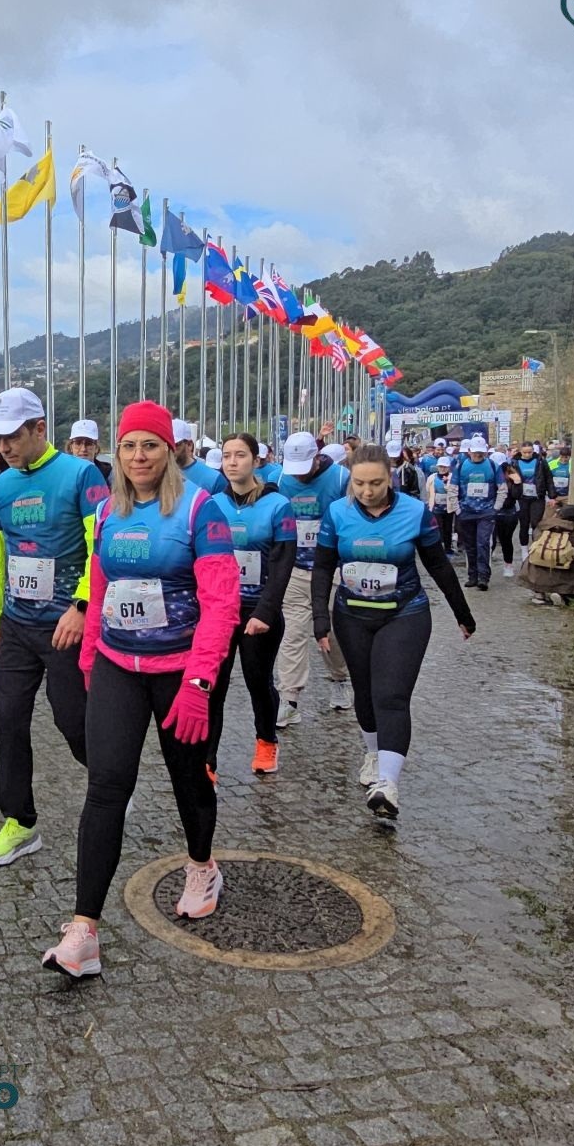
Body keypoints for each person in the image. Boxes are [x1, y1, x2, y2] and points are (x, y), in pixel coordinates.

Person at [41, 403, 239, 979]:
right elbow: (100, 591)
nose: (138, 456)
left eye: (149, 445)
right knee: (105, 787)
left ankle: (202, 865)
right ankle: (84, 932)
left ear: (168, 449)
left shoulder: (202, 510)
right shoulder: (107, 513)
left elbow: (222, 603)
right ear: (118, 453)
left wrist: (201, 683)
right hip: (117, 667)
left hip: (182, 670)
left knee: (188, 780)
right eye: (129, 446)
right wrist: (87, 662)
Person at [0, 387, 109, 867]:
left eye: (13, 436)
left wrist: (82, 606)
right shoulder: (4, 485)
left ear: (38, 428)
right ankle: (19, 823)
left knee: (71, 719)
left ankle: (108, 779)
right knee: (9, 723)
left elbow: (103, 544)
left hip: (65, 627)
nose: (5, 447)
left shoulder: (81, 474)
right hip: (16, 627)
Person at [310, 444, 475, 821]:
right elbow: (322, 569)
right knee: (364, 692)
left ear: (392, 476)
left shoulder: (416, 512)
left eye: (376, 483)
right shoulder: (337, 513)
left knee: (392, 695)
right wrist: (320, 618)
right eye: (359, 484)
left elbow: (438, 565)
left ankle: (388, 784)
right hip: (352, 615)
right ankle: (372, 753)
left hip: (405, 614)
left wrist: (461, 613)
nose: (367, 492)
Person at [207, 433, 297, 776]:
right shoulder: (213, 504)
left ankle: (266, 740)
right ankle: (208, 760)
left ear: (256, 460)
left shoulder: (278, 506)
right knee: (214, 684)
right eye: (227, 455)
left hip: (259, 610)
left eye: (240, 455)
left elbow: (282, 563)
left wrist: (265, 611)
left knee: (257, 680)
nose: (232, 462)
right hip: (221, 610)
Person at [273, 432, 352, 728]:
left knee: (329, 632)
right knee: (292, 633)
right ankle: (289, 699)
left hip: (332, 569)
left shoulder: (342, 478)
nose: (300, 475)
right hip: (294, 568)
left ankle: (339, 678)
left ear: (317, 458)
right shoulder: (280, 480)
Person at [451, 437, 503, 590]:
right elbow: (453, 489)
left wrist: (496, 508)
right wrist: (457, 509)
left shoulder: (493, 466)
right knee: (470, 545)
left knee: (483, 543)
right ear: (469, 452)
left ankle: (483, 577)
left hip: (486, 512)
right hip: (466, 512)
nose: (478, 456)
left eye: (481, 453)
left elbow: (502, 488)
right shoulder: (461, 466)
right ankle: (472, 576)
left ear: (486, 452)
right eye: (475, 453)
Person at [520, 504, 574, 606]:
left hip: (537, 569)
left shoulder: (543, 525)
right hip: (562, 567)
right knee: (572, 561)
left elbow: (535, 539)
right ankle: (560, 593)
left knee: (534, 557)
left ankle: (539, 595)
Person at [494, 458, 526, 578]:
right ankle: (484, 566)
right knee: (490, 540)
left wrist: (517, 482)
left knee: (506, 540)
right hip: (494, 512)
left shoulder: (512, 479)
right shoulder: (492, 478)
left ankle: (508, 564)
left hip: (509, 513)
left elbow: (516, 496)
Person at [173, 418, 223, 493]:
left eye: (175, 445)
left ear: (189, 445)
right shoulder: (155, 475)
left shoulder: (213, 478)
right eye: (166, 444)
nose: (170, 450)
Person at [422, 454, 457, 555]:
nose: (442, 469)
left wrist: (447, 485)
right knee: (438, 527)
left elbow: (454, 490)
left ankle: (448, 547)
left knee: (448, 527)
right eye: (440, 466)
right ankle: (439, 547)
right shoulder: (432, 478)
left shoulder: (452, 477)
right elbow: (428, 491)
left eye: (444, 467)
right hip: (436, 506)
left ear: (448, 467)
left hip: (448, 507)